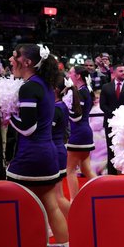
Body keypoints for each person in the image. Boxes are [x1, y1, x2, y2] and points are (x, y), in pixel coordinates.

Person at [6, 43, 68, 242]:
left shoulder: (30, 87)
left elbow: (28, 128)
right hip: (47, 154)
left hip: (30, 156)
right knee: (52, 207)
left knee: (19, 209)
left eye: (14, 56)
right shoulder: (44, 84)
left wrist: (7, 116)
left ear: (27, 62)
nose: (10, 59)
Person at [99, 64, 124, 174]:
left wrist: (122, 116)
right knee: (111, 148)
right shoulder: (106, 87)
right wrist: (114, 115)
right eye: (121, 71)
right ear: (115, 73)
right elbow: (103, 105)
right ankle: (111, 174)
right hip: (110, 123)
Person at [66, 65, 97, 199]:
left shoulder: (80, 92)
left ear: (78, 76)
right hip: (85, 132)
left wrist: (64, 108)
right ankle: (101, 191)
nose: (69, 75)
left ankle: (74, 200)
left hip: (78, 133)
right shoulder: (85, 91)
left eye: (71, 73)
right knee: (85, 169)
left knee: (70, 170)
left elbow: (77, 116)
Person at [52, 72, 73, 217]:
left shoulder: (57, 108)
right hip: (58, 148)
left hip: (55, 150)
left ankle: (77, 219)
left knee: (57, 196)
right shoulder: (62, 105)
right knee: (56, 195)